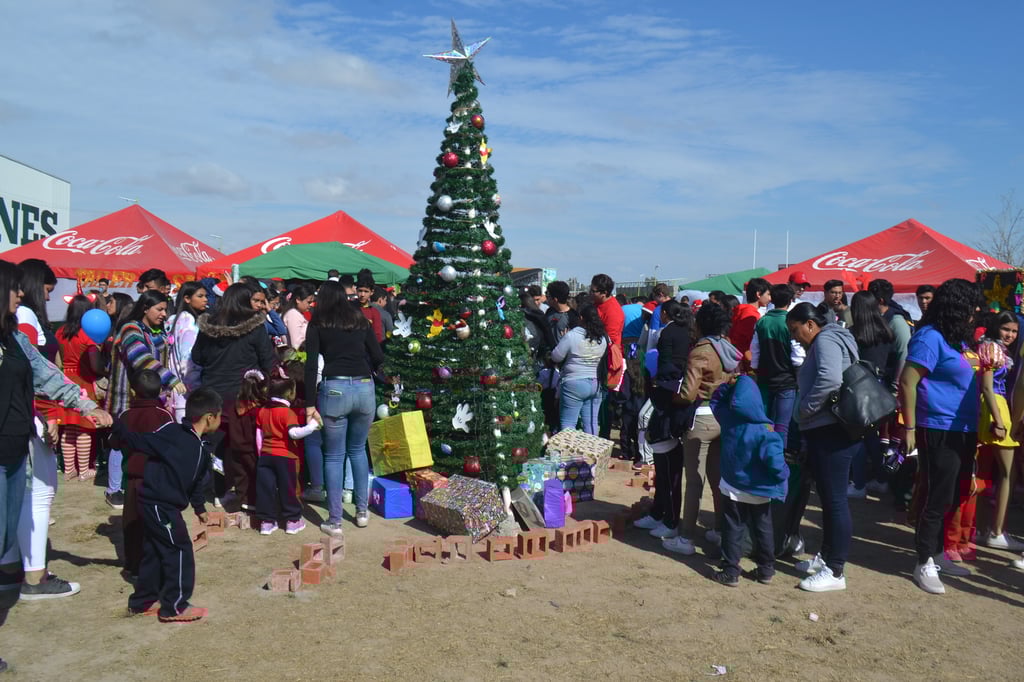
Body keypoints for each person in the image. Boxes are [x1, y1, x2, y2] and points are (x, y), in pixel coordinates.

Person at [0, 260, 112, 614]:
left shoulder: (15, 337)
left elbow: (47, 376)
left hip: (15, 454)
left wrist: (84, 405)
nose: (21, 294)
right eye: (14, 288)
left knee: (5, 535)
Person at [899, 279, 982, 594]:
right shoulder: (929, 338)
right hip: (937, 427)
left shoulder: (957, 340)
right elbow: (907, 382)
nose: (976, 313)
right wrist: (909, 428)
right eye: (971, 307)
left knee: (955, 493)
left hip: (963, 428)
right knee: (936, 495)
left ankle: (936, 553)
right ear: (956, 307)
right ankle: (923, 561)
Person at [115, 387, 220, 623]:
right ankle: (175, 606)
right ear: (210, 417)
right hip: (157, 504)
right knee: (179, 548)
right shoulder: (172, 432)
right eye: (220, 415)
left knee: (153, 550)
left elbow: (195, 484)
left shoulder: (201, 449)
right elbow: (140, 441)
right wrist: (113, 423)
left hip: (164, 505)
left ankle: (142, 601)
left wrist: (200, 509)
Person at [787, 302, 859, 592]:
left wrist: (804, 409)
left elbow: (830, 379)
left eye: (795, 330)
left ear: (810, 324)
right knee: (831, 498)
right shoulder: (835, 336)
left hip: (830, 429)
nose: (794, 338)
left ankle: (835, 570)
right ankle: (827, 557)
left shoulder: (826, 339)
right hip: (832, 428)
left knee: (835, 500)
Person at [304, 281, 383, 535]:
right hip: (363, 386)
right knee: (358, 451)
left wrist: (308, 404)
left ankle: (335, 520)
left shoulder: (318, 323)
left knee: (334, 455)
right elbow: (378, 356)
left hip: (335, 387)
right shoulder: (359, 319)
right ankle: (362, 512)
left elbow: (310, 365)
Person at [192, 283, 276, 510]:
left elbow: (197, 357)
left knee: (216, 446)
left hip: (213, 394)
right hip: (243, 396)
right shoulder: (255, 327)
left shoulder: (208, 326)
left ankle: (218, 492)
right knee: (244, 448)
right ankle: (247, 496)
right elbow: (268, 360)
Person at [668, 302, 741, 554]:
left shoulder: (700, 351)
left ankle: (686, 537)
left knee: (695, 481)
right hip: (723, 416)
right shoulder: (727, 348)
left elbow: (688, 393)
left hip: (700, 417)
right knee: (718, 478)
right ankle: (719, 530)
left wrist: (671, 399)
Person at [107, 291, 184, 509]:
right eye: (159, 309)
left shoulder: (155, 331)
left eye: (165, 309)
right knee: (119, 441)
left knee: (145, 441)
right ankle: (114, 490)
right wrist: (169, 379)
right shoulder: (130, 329)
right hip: (126, 399)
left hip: (149, 400)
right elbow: (140, 357)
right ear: (145, 308)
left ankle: (142, 482)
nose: (164, 314)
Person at [709, 375, 788, 586]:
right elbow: (776, 462)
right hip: (759, 490)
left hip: (733, 486)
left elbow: (714, 401)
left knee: (733, 527)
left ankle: (731, 570)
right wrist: (782, 476)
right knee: (763, 528)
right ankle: (766, 569)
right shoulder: (766, 430)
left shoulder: (728, 419)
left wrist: (727, 385)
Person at [633, 300, 692, 541]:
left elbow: (667, 366)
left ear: (665, 314)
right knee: (664, 467)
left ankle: (669, 519)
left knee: (669, 468)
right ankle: (659, 513)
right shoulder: (686, 332)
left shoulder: (667, 334)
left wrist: (658, 382)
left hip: (668, 402)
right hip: (670, 399)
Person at [110, 369, 174, 582]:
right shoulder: (164, 416)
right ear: (159, 391)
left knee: (132, 524)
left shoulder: (125, 416)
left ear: (132, 390)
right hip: (157, 481)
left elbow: (115, 444)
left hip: (132, 479)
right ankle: (155, 566)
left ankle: (134, 566)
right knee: (156, 525)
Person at [976, 312, 1022, 551]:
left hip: (990, 407)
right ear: (997, 327)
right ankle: (997, 531)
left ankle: (983, 529)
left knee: (986, 472)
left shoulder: (989, 346)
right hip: (996, 406)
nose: (1010, 335)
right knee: (1008, 473)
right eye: (1006, 329)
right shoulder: (992, 349)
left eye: (1014, 331)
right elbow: (987, 386)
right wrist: (998, 418)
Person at [847, 291, 897, 498]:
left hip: (859, 388)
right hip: (881, 387)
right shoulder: (887, 331)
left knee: (858, 437)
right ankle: (880, 478)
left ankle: (859, 484)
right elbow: (893, 361)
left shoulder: (853, 333)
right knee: (871, 437)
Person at [256, 375, 320, 535]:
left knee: (266, 489)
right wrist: (312, 426)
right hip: (285, 457)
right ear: (290, 393)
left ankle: (267, 522)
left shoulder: (262, 410)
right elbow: (294, 433)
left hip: (265, 455)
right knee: (288, 488)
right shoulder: (288, 413)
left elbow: (259, 435)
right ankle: (292, 521)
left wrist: (261, 453)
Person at [56, 294, 107, 480]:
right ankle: (84, 470)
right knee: (85, 427)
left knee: (69, 427)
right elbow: (94, 364)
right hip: (84, 380)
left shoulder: (60, 332)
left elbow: (60, 359)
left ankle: (69, 470)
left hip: (65, 380)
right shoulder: (88, 334)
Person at [550, 305, 608, 435]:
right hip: (595, 383)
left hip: (574, 383)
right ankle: (592, 453)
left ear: (581, 318)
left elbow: (556, 357)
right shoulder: (602, 338)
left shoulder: (572, 335)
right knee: (592, 423)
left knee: (568, 423)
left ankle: (569, 453)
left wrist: (563, 338)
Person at [167, 282, 208, 422]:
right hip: (186, 393)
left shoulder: (175, 320)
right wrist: (196, 387)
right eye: (200, 296)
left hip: (175, 389)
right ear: (187, 298)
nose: (205, 299)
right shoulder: (188, 322)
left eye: (206, 296)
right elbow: (187, 358)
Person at [730, 278, 771, 366]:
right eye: (768, 294)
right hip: (743, 362)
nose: (770, 298)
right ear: (758, 294)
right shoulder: (751, 315)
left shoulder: (739, 310)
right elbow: (746, 343)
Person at [281, 283, 316, 350]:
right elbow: (296, 344)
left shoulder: (299, 314)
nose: (311, 305)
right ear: (298, 300)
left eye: (312, 302)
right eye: (309, 302)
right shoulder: (293, 314)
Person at [356, 274, 384, 343]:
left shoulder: (374, 312)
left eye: (366, 291)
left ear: (371, 292)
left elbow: (377, 336)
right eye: (360, 291)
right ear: (356, 290)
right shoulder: (349, 308)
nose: (362, 294)